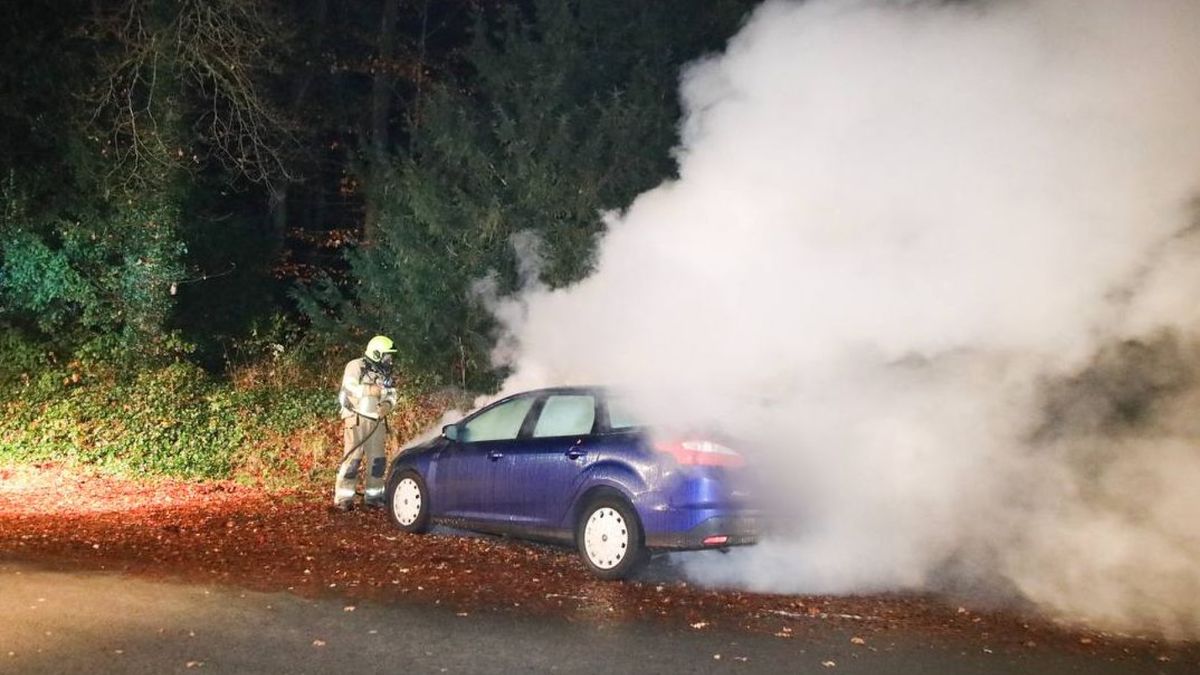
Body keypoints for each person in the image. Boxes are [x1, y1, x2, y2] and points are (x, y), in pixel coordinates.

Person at [334, 335, 398, 510]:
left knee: (378, 461)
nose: (390, 359)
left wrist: (387, 405)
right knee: (353, 460)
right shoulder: (356, 366)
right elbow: (349, 387)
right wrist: (371, 389)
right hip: (356, 419)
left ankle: (374, 497)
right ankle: (344, 498)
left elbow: (392, 395)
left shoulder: (384, 373)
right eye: (387, 355)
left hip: (376, 422)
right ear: (377, 353)